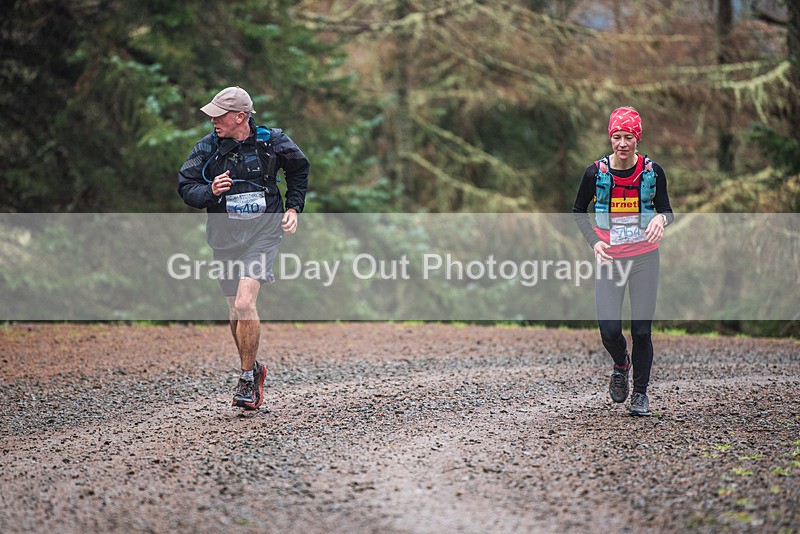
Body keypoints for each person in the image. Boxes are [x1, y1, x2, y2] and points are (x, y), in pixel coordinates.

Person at [178, 86, 309, 410]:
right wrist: (210, 190)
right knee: (235, 309)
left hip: (264, 232)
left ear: (240, 117)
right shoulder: (207, 147)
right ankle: (253, 368)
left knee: (244, 301)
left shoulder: (272, 141)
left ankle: (247, 378)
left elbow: (299, 168)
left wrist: (293, 207)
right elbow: (185, 186)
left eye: (218, 115)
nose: (213, 121)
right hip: (224, 236)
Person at [572, 106, 673, 416]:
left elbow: (667, 210)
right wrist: (595, 243)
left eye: (628, 137)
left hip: (644, 258)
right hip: (610, 260)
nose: (622, 143)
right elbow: (578, 212)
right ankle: (621, 363)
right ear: (610, 138)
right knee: (609, 330)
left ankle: (640, 394)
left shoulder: (653, 172)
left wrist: (660, 220)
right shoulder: (595, 173)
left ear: (637, 138)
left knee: (641, 331)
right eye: (617, 137)